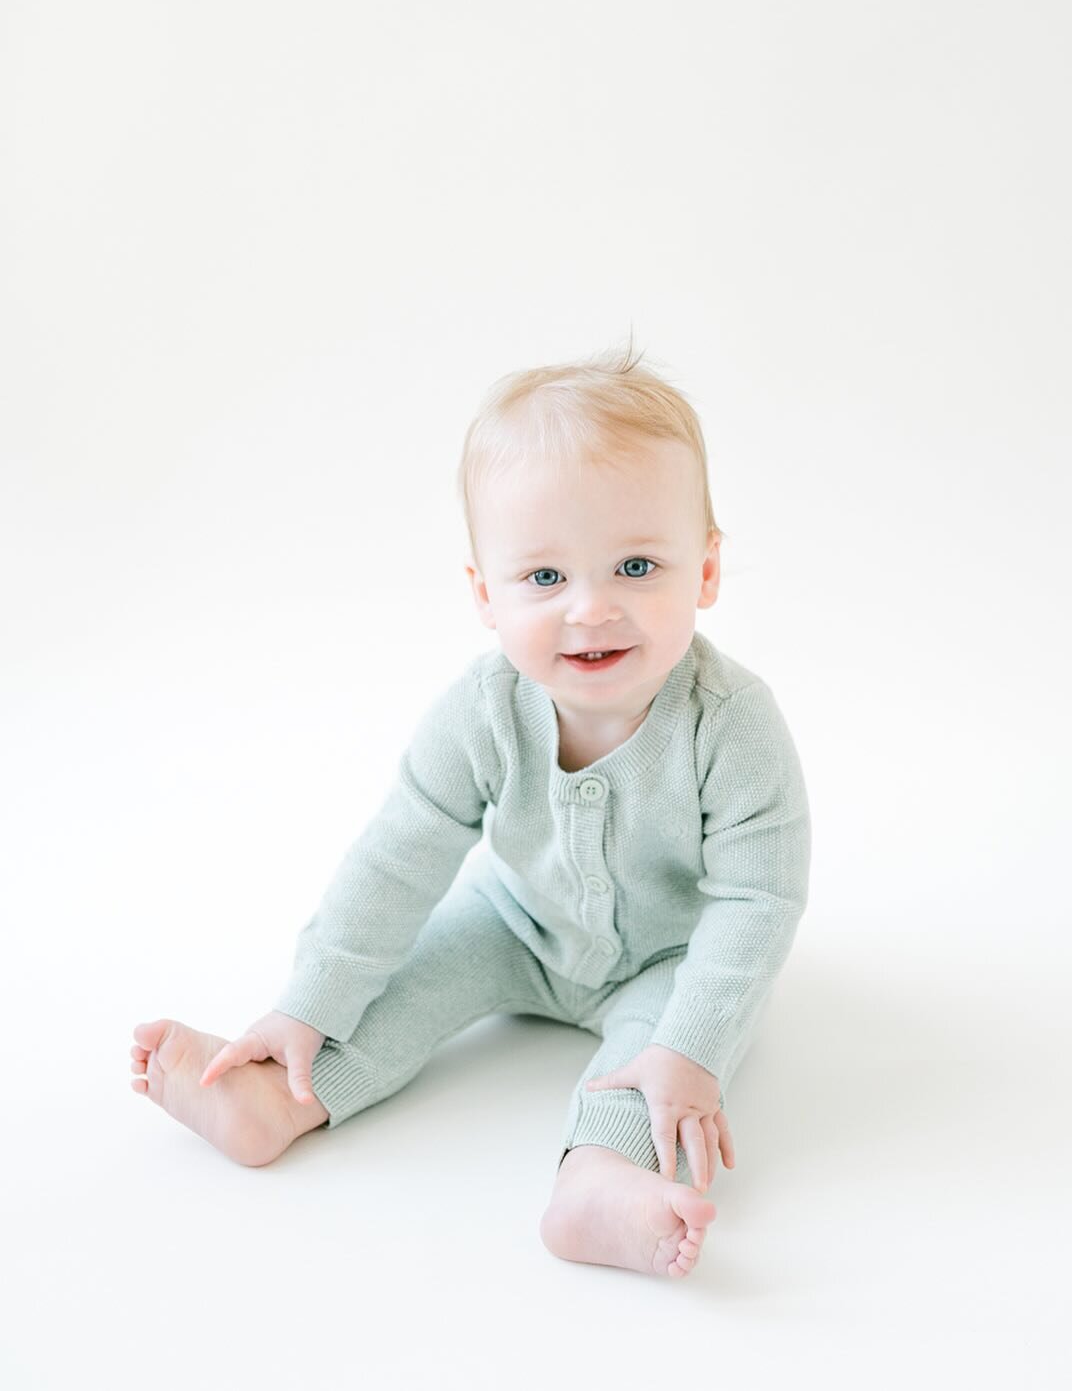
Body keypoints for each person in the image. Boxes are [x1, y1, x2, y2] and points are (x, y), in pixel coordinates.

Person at [129, 339, 812, 1279]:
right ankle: (279, 1096)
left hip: (673, 954)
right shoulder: (483, 710)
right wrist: (310, 999)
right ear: (483, 594)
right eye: (543, 578)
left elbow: (755, 901)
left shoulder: (732, 726)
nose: (590, 609)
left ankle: (597, 1183)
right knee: (402, 986)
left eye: (636, 565)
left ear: (704, 570)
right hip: (514, 921)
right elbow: (401, 851)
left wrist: (692, 1045)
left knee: (654, 1068)